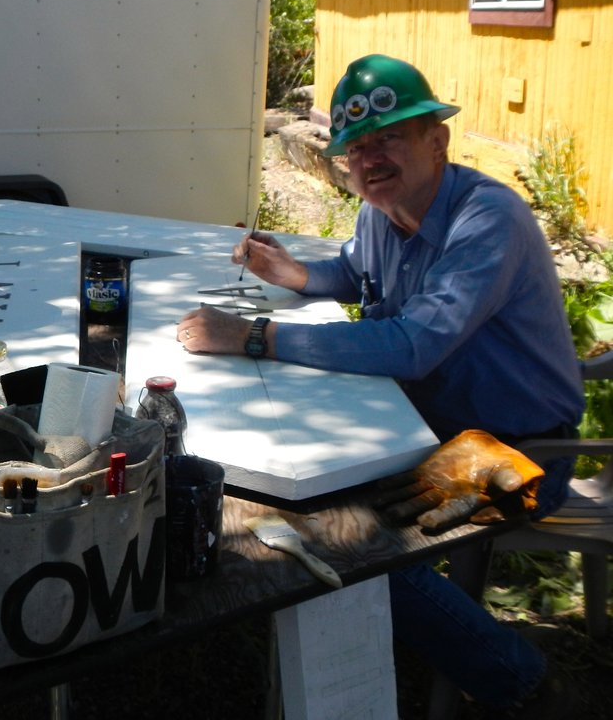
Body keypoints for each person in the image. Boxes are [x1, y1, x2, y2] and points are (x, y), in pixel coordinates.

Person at [176, 54, 583, 713]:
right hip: (424, 428)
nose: (370, 158)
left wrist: (255, 336)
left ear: (437, 139)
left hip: (520, 446)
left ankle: (526, 684)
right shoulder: (380, 212)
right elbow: (352, 269)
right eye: (356, 149)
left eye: (389, 137)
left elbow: (414, 344)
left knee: (347, 544)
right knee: (309, 505)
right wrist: (297, 276)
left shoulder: (488, 219)